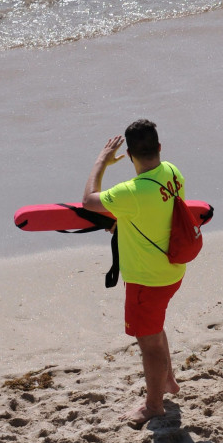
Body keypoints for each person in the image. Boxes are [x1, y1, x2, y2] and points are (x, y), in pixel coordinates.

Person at [82, 119, 186, 424]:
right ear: (159, 148)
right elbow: (156, 212)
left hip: (146, 279)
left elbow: (88, 200)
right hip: (172, 270)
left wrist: (101, 161)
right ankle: (168, 380)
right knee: (155, 327)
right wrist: (123, 222)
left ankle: (154, 406)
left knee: (148, 341)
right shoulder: (172, 172)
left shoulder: (129, 193)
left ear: (128, 154)